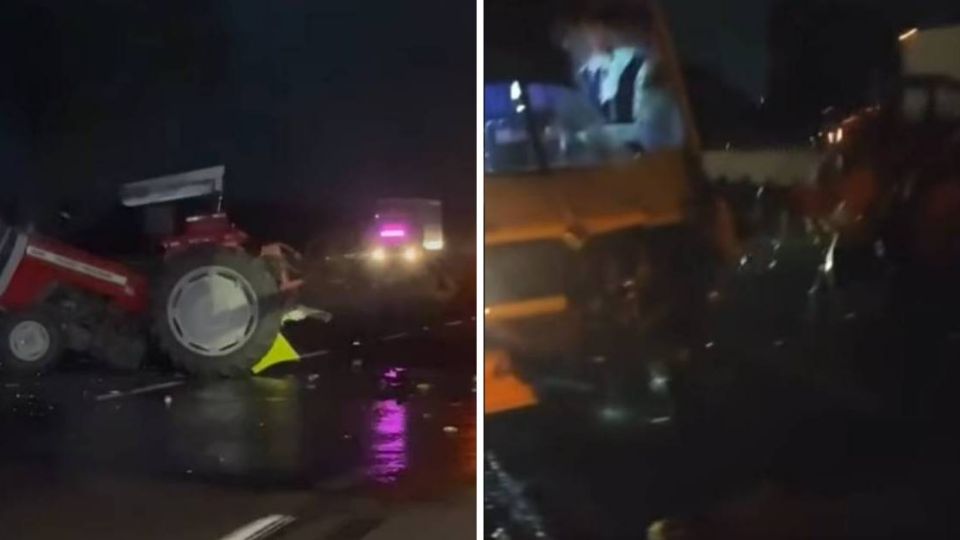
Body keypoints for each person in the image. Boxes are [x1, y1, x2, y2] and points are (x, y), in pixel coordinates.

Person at [560, 7, 686, 152]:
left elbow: (653, 134)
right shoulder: (590, 75)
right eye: (588, 32)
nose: (592, 39)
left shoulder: (643, 70)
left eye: (598, 30)